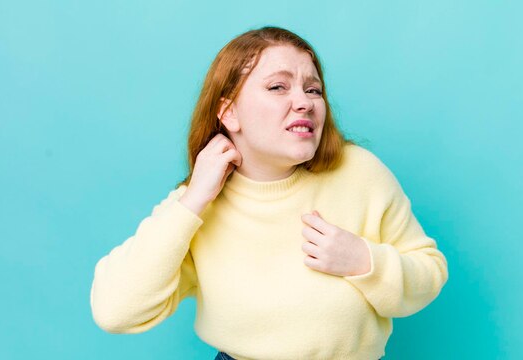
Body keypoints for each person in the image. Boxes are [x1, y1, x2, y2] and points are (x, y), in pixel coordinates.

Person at [90, 26, 449, 360]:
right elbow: (115, 311)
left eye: (313, 89)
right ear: (229, 113)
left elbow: (430, 273)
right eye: (278, 87)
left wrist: (364, 261)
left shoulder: (360, 171)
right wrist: (193, 201)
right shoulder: (198, 203)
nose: (305, 102)